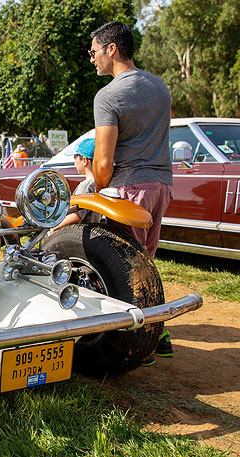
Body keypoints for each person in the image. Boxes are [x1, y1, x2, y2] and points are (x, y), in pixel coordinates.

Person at [89, 21, 174, 364]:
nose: (92, 59)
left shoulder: (109, 95)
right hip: (160, 185)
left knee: (123, 270)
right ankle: (160, 337)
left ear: (112, 49)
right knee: (145, 263)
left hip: (129, 187)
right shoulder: (160, 86)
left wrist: (97, 189)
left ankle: (143, 342)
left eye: (94, 52)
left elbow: (105, 160)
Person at [53, 138, 101, 231]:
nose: (74, 163)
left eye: (75, 158)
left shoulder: (86, 186)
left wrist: (54, 228)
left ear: (84, 160)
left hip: (82, 233)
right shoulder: (98, 184)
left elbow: (76, 216)